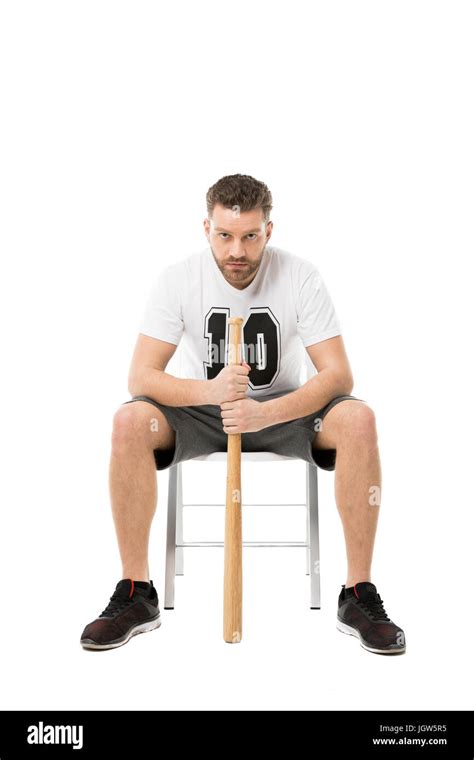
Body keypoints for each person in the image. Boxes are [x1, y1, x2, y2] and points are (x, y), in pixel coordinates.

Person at [80, 174, 405, 655]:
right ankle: (135, 592)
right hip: (201, 414)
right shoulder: (179, 279)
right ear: (206, 228)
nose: (237, 250)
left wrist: (264, 412)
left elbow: (338, 376)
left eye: (250, 236)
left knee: (359, 418)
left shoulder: (300, 276)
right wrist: (209, 390)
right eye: (225, 235)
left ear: (268, 231)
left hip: (286, 411)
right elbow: (141, 378)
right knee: (129, 420)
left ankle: (358, 593)